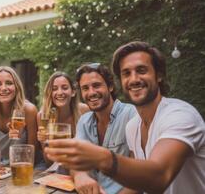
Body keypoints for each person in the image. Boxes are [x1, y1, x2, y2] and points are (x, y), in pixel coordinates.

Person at [45, 41, 205, 194]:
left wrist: (101, 158)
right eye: (126, 73)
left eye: (142, 70)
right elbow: (138, 180)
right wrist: (80, 173)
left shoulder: (180, 115)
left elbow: (159, 177)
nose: (134, 79)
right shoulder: (134, 126)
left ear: (159, 75)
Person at [72, 63, 137, 194]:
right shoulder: (84, 121)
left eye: (96, 85)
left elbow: (141, 177)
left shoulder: (132, 115)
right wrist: (80, 176)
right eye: (85, 88)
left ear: (110, 86)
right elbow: (75, 161)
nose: (91, 93)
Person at [0, 66, 38, 165]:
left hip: (28, 167)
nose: (4, 88)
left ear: (17, 87)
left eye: (9, 83)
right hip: (3, 169)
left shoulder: (29, 110)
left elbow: (33, 154)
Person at [37, 71, 89, 166]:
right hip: (55, 170)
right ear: (50, 93)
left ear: (73, 92)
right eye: (54, 89)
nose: (60, 92)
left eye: (64, 88)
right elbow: (49, 162)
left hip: (81, 166)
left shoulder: (85, 110)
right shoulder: (43, 116)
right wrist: (44, 142)